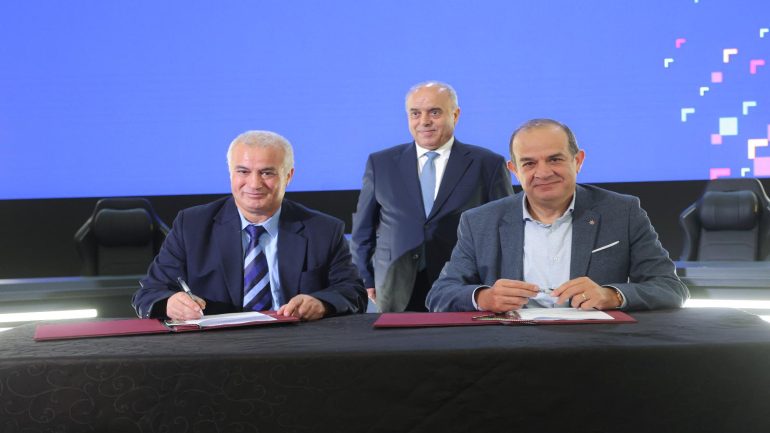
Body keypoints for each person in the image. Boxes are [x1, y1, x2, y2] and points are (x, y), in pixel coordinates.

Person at [426, 118, 689, 312]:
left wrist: (612, 296)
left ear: (578, 161)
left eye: (555, 159)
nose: (543, 173)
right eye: (529, 163)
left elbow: (669, 287)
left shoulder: (623, 212)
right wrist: (484, 298)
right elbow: (439, 295)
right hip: (509, 347)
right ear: (514, 170)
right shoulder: (480, 221)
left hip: (597, 346)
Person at [132, 131, 367, 321]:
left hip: (296, 344)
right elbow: (149, 293)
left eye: (267, 173)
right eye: (243, 171)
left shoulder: (323, 229)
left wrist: (322, 303)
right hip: (215, 347)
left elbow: (353, 292)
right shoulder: (192, 226)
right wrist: (169, 303)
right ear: (230, 174)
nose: (254, 184)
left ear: (289, 176)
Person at [350, 81, 513, 312]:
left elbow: (504, 229)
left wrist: (498, 281)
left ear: (455, 115)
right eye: (415, 113)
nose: (424, 121)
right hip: (395, 283)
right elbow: (362, 229)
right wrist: (365, 277)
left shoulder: (487, 164)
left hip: (462, 284)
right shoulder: (381, 163)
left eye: (434, 112)